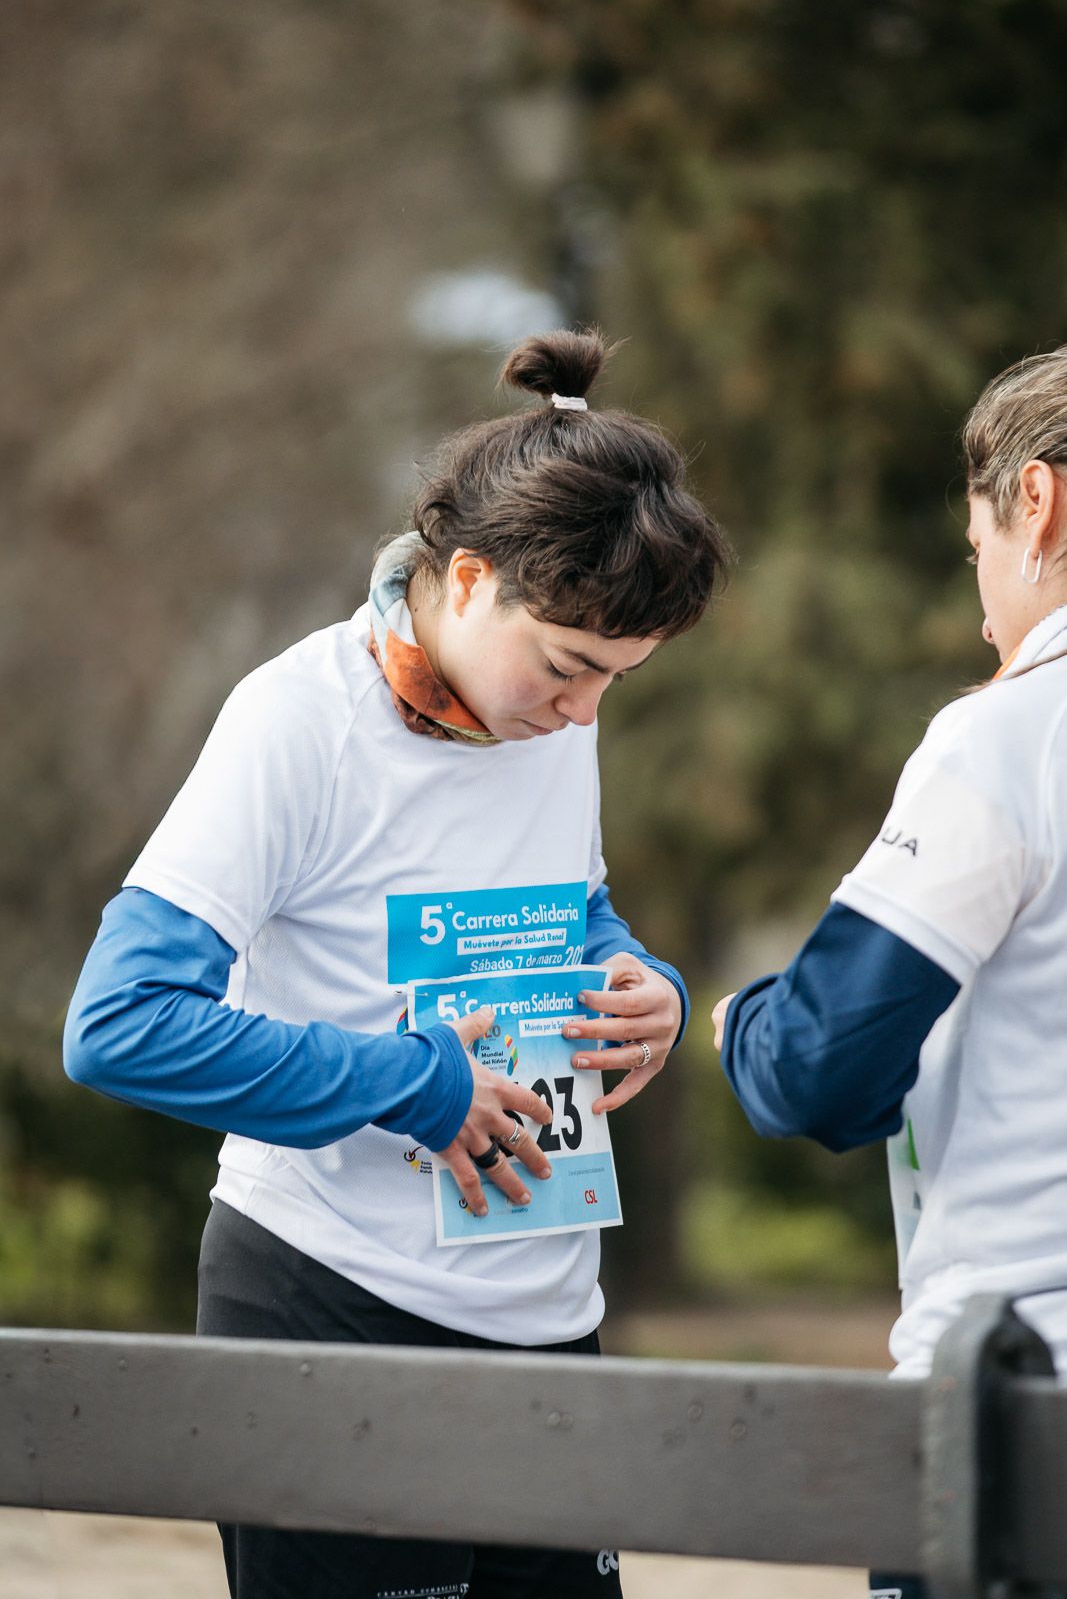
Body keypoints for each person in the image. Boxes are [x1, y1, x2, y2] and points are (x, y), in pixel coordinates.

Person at [64, 328, 731, 1599]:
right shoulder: (292, 722)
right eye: (570, 669)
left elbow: (563, 908)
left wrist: (638, 978)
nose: (583, 713)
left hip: (547, 1318)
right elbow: (120, 1024)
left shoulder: (533, 699)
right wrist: (415, 1085)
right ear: (468, 578)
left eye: (620, 683)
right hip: (327, 1309)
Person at [712, 346, 1067, 1599]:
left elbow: (818, 1070)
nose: (981, 603)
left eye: (973, 542)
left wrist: (733, 1024)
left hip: (1015, 1428)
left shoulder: (1007, 736)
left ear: (1036, 504)